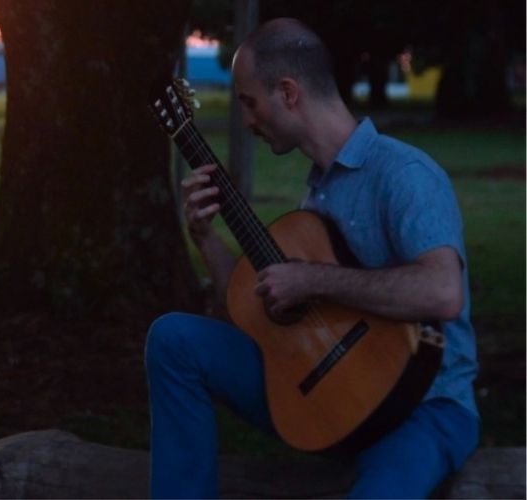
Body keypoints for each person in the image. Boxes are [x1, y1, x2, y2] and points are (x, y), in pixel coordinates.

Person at [144, 17, 479, 499]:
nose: (246, 120)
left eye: (249, 102)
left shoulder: (403, 173)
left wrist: (314, 279)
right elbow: (254, 318)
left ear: (288, 92)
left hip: (422, 408)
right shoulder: (317, 198)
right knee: (174, 339)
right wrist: (206, 239)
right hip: (330, 396)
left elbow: (444, 293)